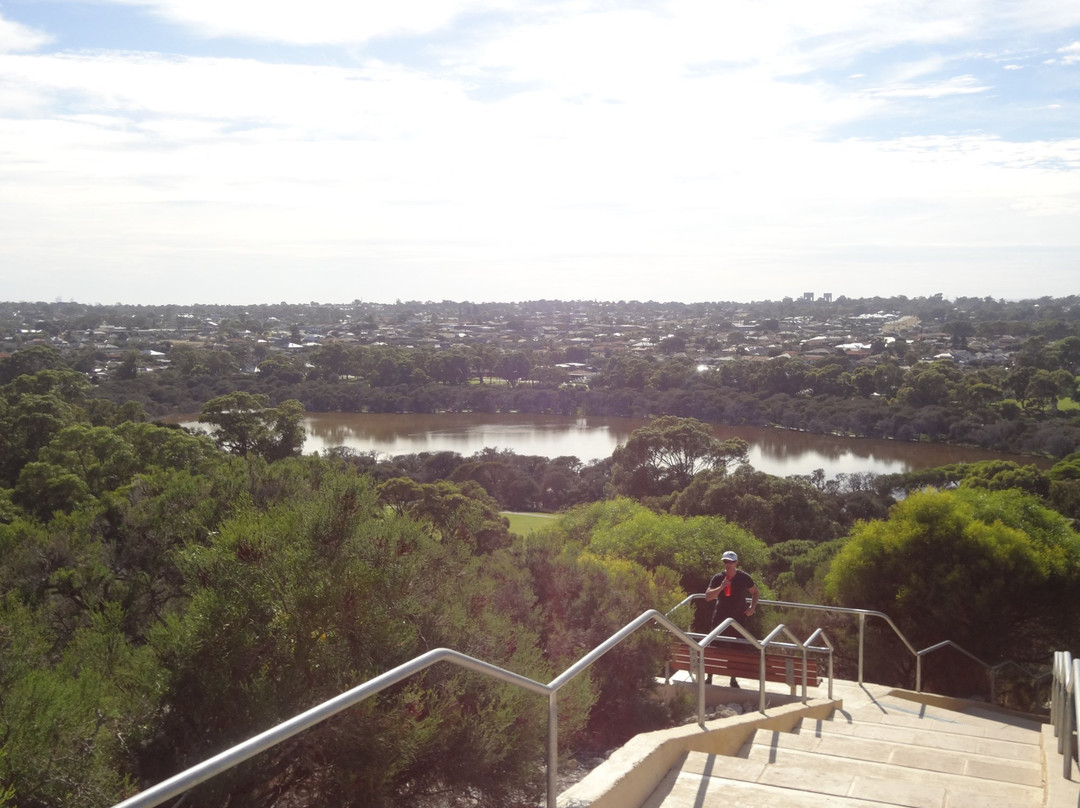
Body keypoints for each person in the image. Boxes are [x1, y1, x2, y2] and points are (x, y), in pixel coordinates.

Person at [704, 550, 760, 688]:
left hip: (738, 618)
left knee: (737, 648)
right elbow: (708, 597)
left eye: (731, 561)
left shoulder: (744, 577)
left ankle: (733, 679)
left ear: (736, 563)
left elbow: (755, 592)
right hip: (720, 617)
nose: (728, 564)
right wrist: (721, 587)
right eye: (725, 561)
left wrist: (752, 608)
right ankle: (709, 676)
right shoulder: (718, 578)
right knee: (715, 646)